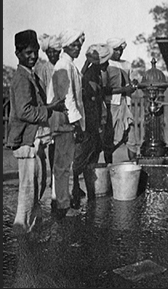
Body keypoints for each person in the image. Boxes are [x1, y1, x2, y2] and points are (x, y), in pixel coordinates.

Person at [7, 29, 65, 234]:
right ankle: (22, 232)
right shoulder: (22, 78)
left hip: (35, 138)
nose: (33, 56)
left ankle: (33, 226)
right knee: (28, 189)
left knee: (37, 184)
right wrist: (50, 109)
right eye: (28, 53)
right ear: (18, 54)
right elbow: (24, 111)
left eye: (35, 52)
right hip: (27, 140)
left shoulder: (30, 75)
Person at [47, 29, 86, 219]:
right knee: (62, 163)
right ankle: (61, 205)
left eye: (79, 44)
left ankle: (59, 199)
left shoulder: (69, 64)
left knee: (62, 163)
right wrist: (76, 122)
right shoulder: (63, 65)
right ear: (65, 46)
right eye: (74, 45)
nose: (78, 48)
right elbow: (67, 96)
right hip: (64, 120)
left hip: (66, 119)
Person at [70, 44, 113, 208]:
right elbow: (89, 100)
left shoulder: (94, 74)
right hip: (88, 122)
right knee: (82, 157)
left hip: (93, 122)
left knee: (92, 156)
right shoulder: (89, 75)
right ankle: (76, 189)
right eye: (105, 62)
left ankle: (90, 191)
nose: (107, 65)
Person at [102, 38, 139, 163]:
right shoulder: (105, 64)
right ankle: (109, 168)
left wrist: (133, 86)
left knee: (131, 136)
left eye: (120, 50)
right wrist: (123, 89)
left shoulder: (126, 64)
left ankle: (133, 166)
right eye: (116, 50)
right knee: (111, 138)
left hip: (126, 105)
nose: (119, 53)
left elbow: (131, 85)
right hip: (111, 105)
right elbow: (104, 90)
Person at [34, 33, 62, 189]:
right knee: (51, 144)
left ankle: (58, 179)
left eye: (55, 51)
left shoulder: (62, 66)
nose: (52, 54)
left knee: (61, 145)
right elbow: (40, 91)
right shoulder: (43, 69)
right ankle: (51, 177)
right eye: (49, 51)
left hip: (61, 111)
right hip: (50, 110)